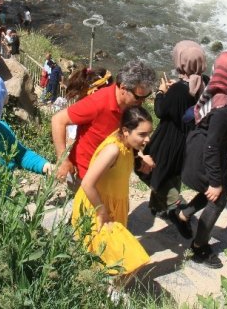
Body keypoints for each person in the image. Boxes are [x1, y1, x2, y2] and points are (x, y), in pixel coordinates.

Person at [177, 51, 227, 268]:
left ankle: (184, 215)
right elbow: (211, 145)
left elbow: (222, 135)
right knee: (218, 198)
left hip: (216, 153)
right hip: (205, 157)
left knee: (220, 193)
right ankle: (199, 247)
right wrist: (214, 181)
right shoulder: (226, 108)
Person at [71, 107, 152, 276]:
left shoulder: (127, 145)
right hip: (96, 208)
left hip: (112, 208)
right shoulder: (113, 149)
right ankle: (110, 294)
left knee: (108, 261)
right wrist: (102, 212)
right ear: (125, 131)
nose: (147, 139)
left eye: (149, 134)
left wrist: (139, 161)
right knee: (130, 260)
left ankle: (106, 292)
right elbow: (87, 183)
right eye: (142, 134)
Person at [51, 60, 156, 183]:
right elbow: (58, 120)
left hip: (110, 175)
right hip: (86, 176)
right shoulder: (98, 103)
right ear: (123, 88)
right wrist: (63, 161)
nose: (142, 102)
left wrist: (139, 158)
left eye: (146, 97)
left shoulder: (131, 107)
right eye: (138, 97)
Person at [140, 41, 207, 231]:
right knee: (174, 171)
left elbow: (160, 111)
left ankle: (170, 208)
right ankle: (157, 206)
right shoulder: (205, 82)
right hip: (189, 138)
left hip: (169, 138)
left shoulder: (177, 90)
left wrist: (162, 92)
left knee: (158, 173)